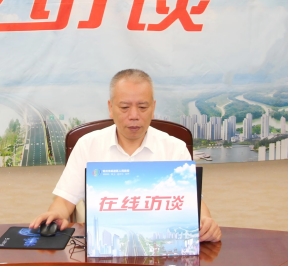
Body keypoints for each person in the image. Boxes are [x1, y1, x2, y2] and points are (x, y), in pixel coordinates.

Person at [30, 69, 222, 243]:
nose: (134, 115)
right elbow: (64, 201)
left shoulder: (174, 148)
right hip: (104, 245)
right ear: (110, 107)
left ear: (153, 108)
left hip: (161, 245)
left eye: (143, 107)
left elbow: (193, 203)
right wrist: (55, 215)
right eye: (124, 107)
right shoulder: (88, 145)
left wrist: (205, 221)